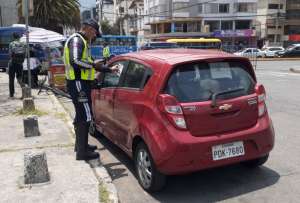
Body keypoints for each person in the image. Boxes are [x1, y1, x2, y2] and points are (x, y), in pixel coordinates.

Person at [64, 19, 119, 161]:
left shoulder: (84, 42)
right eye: (94, 32)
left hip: (81, 83)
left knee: (80, 115)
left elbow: (90, 63)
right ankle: (82, 153)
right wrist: (93, 66)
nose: (94, 35)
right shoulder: (77, 40)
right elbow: (75, 61)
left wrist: (106, 68)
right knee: (86, 116)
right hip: (77, 83)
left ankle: (81, 146)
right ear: (87, 28)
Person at [8, 32, 25, 98]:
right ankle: (24, 92)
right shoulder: (23, 44)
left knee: (11, 79)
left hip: (12, 64)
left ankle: (11, 94)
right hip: (20, 64)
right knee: (20, 79)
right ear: (19, 37)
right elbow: (25, 54)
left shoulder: (11, 44)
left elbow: (9, 54)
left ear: (13, 37)